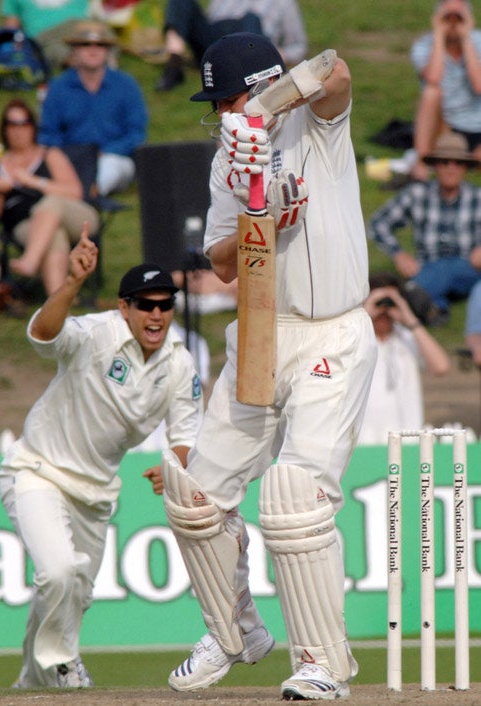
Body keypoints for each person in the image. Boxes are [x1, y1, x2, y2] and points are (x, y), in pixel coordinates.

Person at [160, 33, 377, 700]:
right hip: (260, 332)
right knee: (194, 497)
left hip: (331, 337)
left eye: (228, 98)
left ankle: (323, 662)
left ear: (254, 86)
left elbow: (335, 74)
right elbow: (222, 263)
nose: (222, 113)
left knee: (294, 499)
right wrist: (261, 211)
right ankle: (236, 633)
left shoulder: (317, 125)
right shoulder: (231, 157)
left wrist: (266, 108)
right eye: (219, 105)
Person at [0, 229, 202, 688]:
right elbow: (43, 336)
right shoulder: (95, 334)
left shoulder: (179, 362)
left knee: (73, 592)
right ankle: (63, 663)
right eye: (144, 304)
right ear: (123, 307)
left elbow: (186, 434)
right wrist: (71, 282)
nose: (156, 314)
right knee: (58, 572)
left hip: (96, 492)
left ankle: (32, 682)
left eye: (164, 305)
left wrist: (174, 466)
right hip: (38, 471)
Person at [0, 98, 100, 296]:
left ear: (32, 127)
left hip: (76, 218)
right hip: (26, 225)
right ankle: (59, 307)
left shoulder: (49, 155)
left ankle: (30, 261)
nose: (18, 130)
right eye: (12, 124)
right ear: (4, 129)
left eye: (24, 123)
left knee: (51, 202)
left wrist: (32, 181)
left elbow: (75, 192)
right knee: (53, 235)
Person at [368, 131, 481, 325]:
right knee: (438, 270)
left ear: (465, 168)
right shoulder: (417, 194)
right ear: (435, 165)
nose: (451, 168)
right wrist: (398, 254)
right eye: (445, 162)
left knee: (448, 267)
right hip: (426, 266)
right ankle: (433, 309)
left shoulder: (477, 197)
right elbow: (378, 223)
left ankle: (401, 299)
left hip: (468, 269)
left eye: (458, 162)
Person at [39, 20, 148, 196]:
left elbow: (136, 134)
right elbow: (48, 133)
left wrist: (107, 152)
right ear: (74, 50)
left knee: (110, 167)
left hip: (113, 158)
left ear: (107, 51)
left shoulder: (126, 85)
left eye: (100, 45)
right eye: (85, 44)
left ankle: (85, 196)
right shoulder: (58, 88)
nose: (93, 49)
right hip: (71, 160)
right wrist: (65, 158)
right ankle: (80, 195)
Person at [358, 272, 450, 445]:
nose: (384, 310)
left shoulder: (409, 338)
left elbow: (441, 366)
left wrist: (408, 317)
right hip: (362, 442)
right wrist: (365, 313)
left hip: (407, 440)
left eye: (391, 301)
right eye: (379, 301)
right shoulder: (356, 339)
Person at [155, 0, 307, 91]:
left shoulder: (284, 2)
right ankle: (174, 64)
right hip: (216, 39)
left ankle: (249, 73)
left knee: (251, 17)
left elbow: (298, 45)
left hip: (250, 38)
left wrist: (274, 54)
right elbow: (209, 19)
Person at [410, 0, 481, 180]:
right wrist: (439, 36)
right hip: (446, 125)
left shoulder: (478, 42)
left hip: (477, 124)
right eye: (447, 16)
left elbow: (479, 85)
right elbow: (434, 77)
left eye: (459, 17)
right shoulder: (424, 46)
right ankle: (422, 162)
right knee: (431, 93)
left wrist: (466, 39)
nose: (453, 22)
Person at [0, 0, 90, 71]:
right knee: (55, 51)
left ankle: (89, 65)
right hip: (45, 37)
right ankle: (86, 66)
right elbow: (11, 28)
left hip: (78, 27)